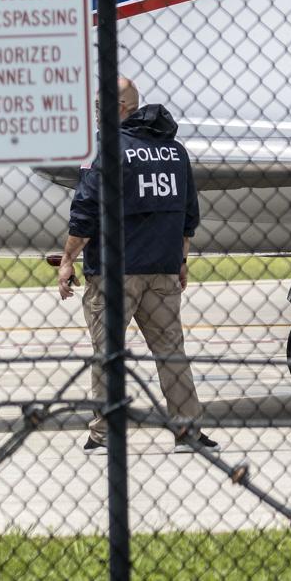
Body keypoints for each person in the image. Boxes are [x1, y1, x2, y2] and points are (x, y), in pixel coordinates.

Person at [57, 76, 215, 452]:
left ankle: (105, 433)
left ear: (121, 108)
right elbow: (188, 214)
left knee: (108, 355)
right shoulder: (174, 152)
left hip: (114, 273)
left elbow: (85, 213)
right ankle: (188, 430)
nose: (95, 115)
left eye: (99, 108)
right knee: (171, 353)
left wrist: (66, 261)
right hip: (161, 271)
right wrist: (181, 260)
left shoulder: (108, 150)